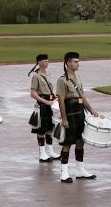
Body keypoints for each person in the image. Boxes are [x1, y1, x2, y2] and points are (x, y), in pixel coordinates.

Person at [56, 52, 99, 183]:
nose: (77, 64)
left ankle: (80, 170)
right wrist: (64, 119)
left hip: (80, 113)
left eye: (78, 61)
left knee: (81, 141)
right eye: (75, 61)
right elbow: (61, 101)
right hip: (69, 112)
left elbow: (82, 96)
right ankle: (64, 172)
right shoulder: (62, 80)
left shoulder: (78, 77)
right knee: (68, 143)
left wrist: (91, 109)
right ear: (68, 63)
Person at [29, 54, 61, 162]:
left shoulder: (48, 74)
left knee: (50, 128)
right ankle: (42, 153)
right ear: (39, 63)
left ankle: (50, 151)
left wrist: (54, 97)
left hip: (50, 103)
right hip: (42, 104)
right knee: (41, 129)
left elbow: (49, 90)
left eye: (48, 61)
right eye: (45, 61)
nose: (47, 63)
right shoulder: (36, 76)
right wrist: (45, 101)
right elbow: (33, 94)